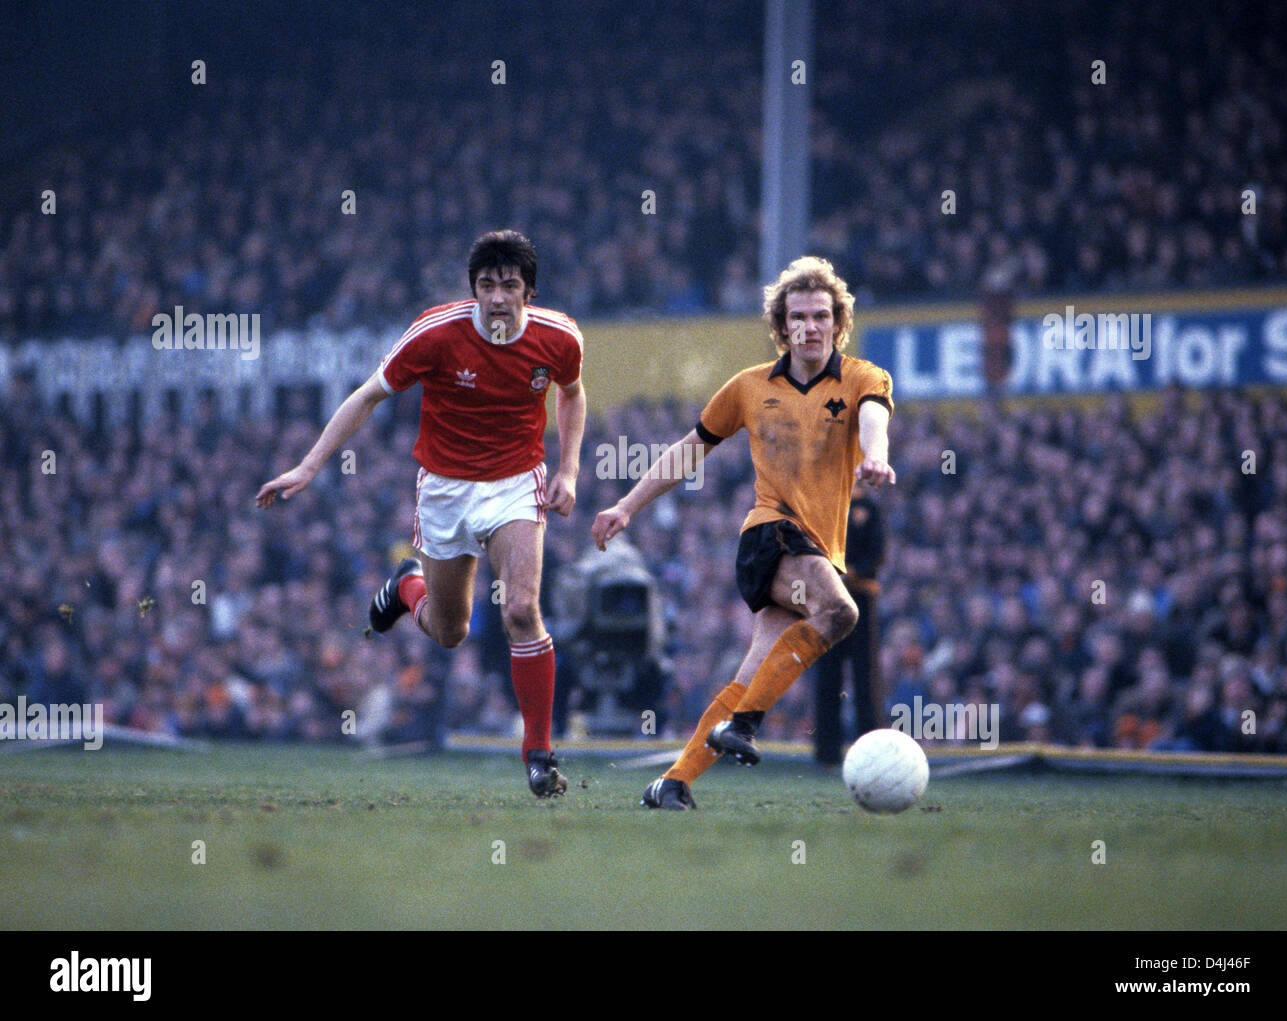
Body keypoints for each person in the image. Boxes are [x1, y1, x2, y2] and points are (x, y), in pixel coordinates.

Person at [256, 230, 586, 797]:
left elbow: (572, 394)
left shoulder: (559, 337)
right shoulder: (436, 332)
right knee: (450, 632)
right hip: (444, 489)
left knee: (523, 609)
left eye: (510, 285)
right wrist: (308, 467)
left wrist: (570, 470)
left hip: (515, 484)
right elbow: (366, 396)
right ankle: (407, 585)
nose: (498, 297)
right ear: (474, 291)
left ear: (528, 291)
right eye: (487, 285)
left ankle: (538, 752)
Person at [591, 256, 894, 808]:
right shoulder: (749, 387)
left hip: (814, 551)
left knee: (752, 673)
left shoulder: (863, 378)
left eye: (821, 315)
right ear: (782, 326)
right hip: (770, 538)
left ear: (838, 323)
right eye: (797, 316)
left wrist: (876, 456)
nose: (809, 326)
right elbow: (689, 450)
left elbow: (875, 418)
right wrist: (628, 506)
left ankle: (673, 783)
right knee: (843, 612)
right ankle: (746, 727)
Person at [812, 481, 885, 765]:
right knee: (828, 676)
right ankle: (826, 753)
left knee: (864, 676)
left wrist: (852, 572)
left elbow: (877, 553)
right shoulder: (827, 504)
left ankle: (872, 750)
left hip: (861, 598)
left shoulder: (870, 509)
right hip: (830, 599)